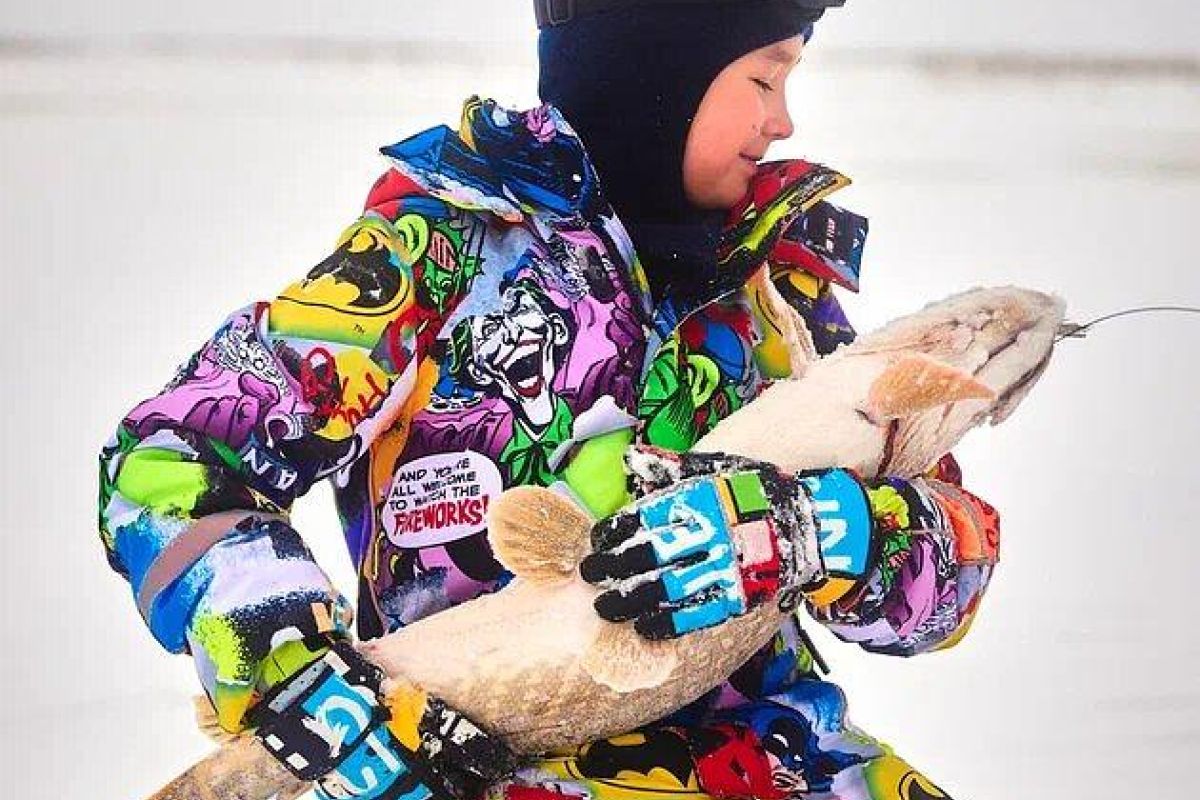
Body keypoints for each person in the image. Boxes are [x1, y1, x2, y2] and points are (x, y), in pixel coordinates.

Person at [97, 1, 1000, 798]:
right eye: (766, 77)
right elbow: (169, 464)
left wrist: (824, 531)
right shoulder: (434, 254)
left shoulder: (778, 299)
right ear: (659, 70)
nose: (782, 119)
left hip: (777, 761)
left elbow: (947, 585)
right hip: (474, 762)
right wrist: (306, 690)